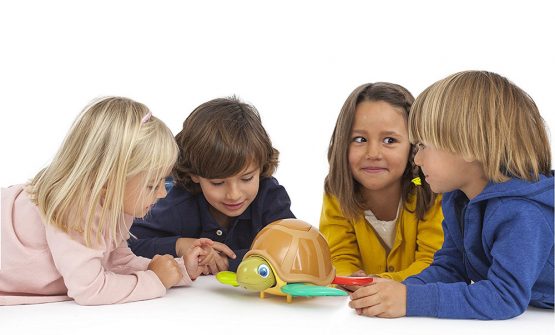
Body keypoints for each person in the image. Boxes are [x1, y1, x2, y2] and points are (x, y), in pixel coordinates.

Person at [349, 71, 554, 319]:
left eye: (424, 146)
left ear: (469, 146)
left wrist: (410, 300)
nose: (417, 159)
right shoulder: (458, 200)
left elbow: (504, 297)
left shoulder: (521, 212)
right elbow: (451, 268)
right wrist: (397, 290)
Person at [1, 97, 211, 306]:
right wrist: (155, 280)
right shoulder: (75, 209)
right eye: (151, 185)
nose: (162, 193)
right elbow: (91, 289)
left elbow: (116, 262)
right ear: (107, 181)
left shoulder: (116, 202)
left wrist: (179, 269)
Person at [129, 96, 294, 273]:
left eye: (247, 178)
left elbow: (292, 249)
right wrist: (179, 245)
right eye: (218, 182)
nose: (234, 194)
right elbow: (124, 248)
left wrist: (228, 261)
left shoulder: (270, 196)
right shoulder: (177, 203)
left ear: (260, 167)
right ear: (194, 174)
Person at [320, 82, 444, 287]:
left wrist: (379, 282)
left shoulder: (430, 190)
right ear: (343, 143)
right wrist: (350, 278)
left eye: (389, 141)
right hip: (360, 305)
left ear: (413, 146)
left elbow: (434, 263)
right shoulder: (339, 191)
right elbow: (337, 257)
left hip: (412, 304)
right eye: (360, 139)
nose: (373, 154)